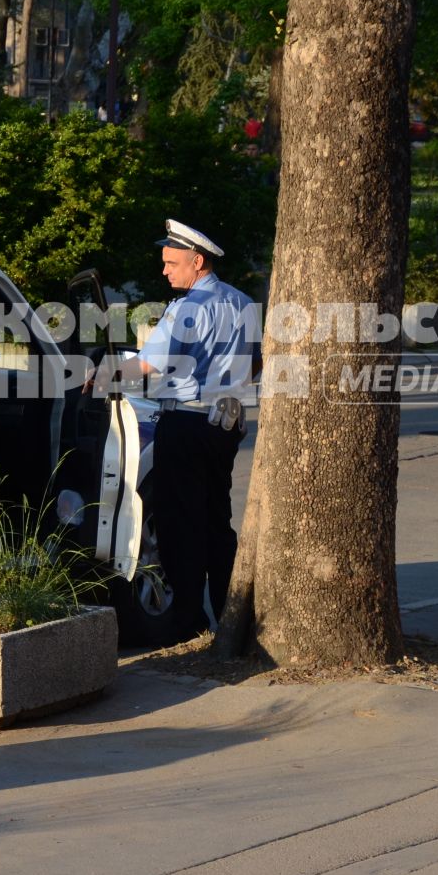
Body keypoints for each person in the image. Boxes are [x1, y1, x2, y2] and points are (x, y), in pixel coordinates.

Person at [125, 219, 260, 641]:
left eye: (171, 263)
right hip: (224, 425)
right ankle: (228, 615)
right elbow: (256, 363)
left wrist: (99, 371)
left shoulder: (186, 308)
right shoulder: (242, 303)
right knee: (217, 521)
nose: (165, 271)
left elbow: (149, 363)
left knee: (179, 524)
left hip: (184, 423)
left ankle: (188, 621)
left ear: (196, 262)